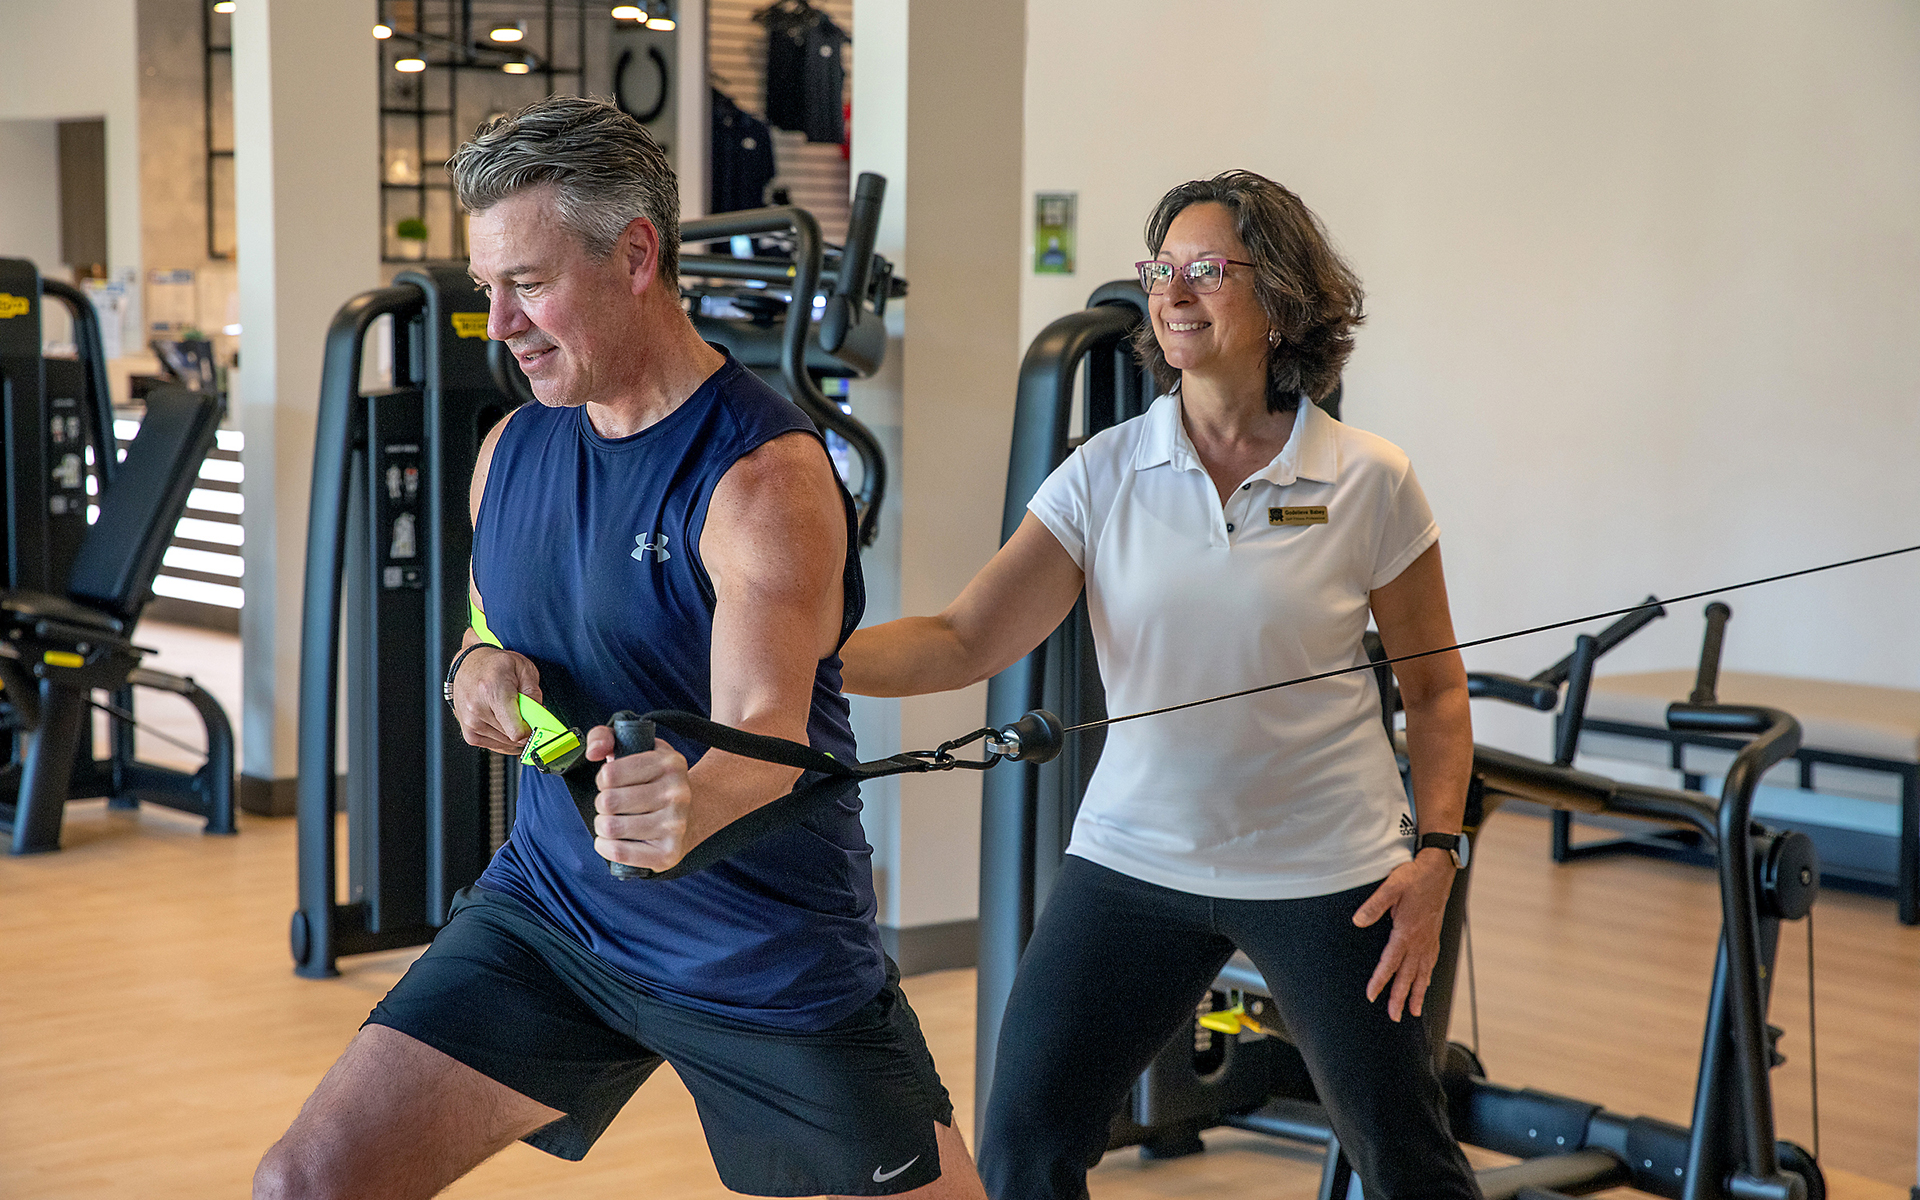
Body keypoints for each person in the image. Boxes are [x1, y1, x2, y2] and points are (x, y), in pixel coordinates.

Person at [255, 96, 985, 1200]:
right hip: (553, 915)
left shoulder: (763, 479)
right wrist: (473, 672)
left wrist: (689, 796)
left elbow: (764, 732)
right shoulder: (510, 449)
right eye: (487, 287)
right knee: (307, 1182)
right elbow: (488, 627)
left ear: (637, 255)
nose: (499, 324)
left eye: (528, 283)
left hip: (757, 951)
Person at [840, 171, 1481, 1200]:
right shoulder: (1105, 471)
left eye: (1207, 270)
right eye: (1161, 270)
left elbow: (1437, 693)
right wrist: (794, 658)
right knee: (1024, 1141)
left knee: (1406, 1160)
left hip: (1328, 869)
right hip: (1133, 858)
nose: (1173, 292)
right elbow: (962, 640)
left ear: (1281, 297)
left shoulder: (1369, 479)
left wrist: (1438, 854)